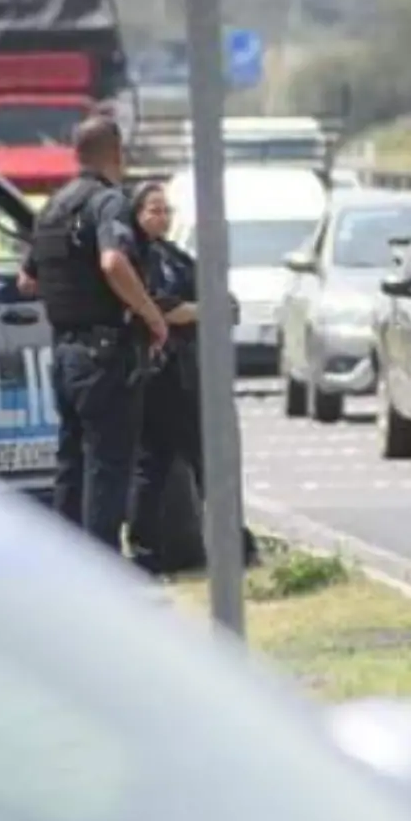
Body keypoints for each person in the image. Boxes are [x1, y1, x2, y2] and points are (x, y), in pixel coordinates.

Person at [18, 116, 169, 555]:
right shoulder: (108, 203)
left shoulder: (53, 206)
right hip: (105, 355)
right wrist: (151, 315)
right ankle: (104, 573)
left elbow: (28, 281)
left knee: (72, 462)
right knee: (108, 465)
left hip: (64, 352)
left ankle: (69, 568)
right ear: (117, 153)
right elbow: (112, 263)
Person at [126, 181, 260, 574]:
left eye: (166, 210)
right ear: (135, 215)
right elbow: (162, 307)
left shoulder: (173, 255)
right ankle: (148, 550)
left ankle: (228, 542)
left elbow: (210, 293)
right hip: (160, 375)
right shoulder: (138, 258)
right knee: (161, 464)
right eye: (153, 210)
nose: (162, 217)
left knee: (197, 462)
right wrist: (204, 310)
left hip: (187, 373)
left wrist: (218, 305)